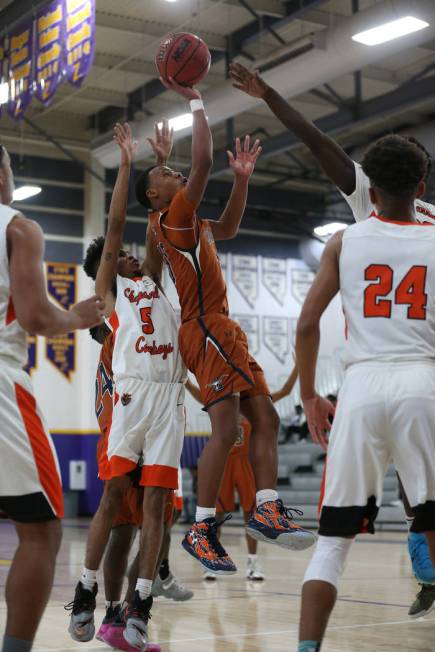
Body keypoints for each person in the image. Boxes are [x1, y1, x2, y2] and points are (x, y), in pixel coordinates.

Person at [230, 61, 435, 615]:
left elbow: (316, 140)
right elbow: (318, 142)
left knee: (370, 519)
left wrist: (267, 90)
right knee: (423, 498)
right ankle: (429, 576)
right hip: (416, 377)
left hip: (372, 380)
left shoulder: (375, 225)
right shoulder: (405, 215)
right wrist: (269, 93)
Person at [136, 77, 315, 576]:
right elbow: (202, 163)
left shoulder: (183, 222)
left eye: (173, 169)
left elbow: (230, 228)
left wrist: (242, 180)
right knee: (226, 427)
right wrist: (195, 99)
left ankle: (265, 508)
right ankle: (204, 525)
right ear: (156, 194)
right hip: (205, 328)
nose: (178, 174)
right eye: (167, 173)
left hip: (221, 328)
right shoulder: (171, 216)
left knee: (267, 418)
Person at [295, 135, 435, 652]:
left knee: (333, 541)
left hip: (360, 388)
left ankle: (308, 647)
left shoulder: (344, 241)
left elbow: (308, 324)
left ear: (369, 193)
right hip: (424, 381)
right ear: (420, 188)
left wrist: (310, 395)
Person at [66, 123, 186, 651]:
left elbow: (157, 226)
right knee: (116, 500)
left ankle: (141, 603)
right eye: (124, 257)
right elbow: (116, 225)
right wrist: (127, 166)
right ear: (109, 271)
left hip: (170, 400)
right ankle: (87, 590)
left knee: (157, 507)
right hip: (133, 398)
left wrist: (166, 163)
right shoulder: (112, 294)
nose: (134, 255)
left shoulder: (154, 283)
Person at [0, 144, 104, 652]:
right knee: (41, 533)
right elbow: (37, 317)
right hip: (1, 386)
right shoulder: (18, 227)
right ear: (2, 174)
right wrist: (77, 317)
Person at [187, 365, 299, 581]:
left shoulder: (255, 404)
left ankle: (252, 562)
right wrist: (184, 379)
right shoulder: (219, 402)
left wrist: (298, 368)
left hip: (245, 463)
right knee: (216, 514)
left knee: (251, 514)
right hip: (225, 464)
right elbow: (196, 391)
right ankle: (211, 560)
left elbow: (285, 391)